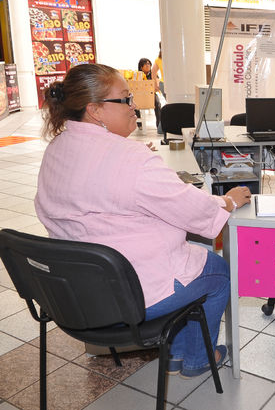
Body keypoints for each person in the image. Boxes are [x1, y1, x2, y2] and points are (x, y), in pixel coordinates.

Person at [35, 63, 251, 379]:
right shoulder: (130, 158)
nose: (134, 105)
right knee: (216, 271)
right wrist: (227, 201)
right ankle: (195, 359)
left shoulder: (56, 148)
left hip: (75, 295)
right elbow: (193, 209)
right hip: (127, 297)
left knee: (185, 260)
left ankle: (175, 355)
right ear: (95, 110)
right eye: (125, 99)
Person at [135, 58, 162, 132]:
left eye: (149, 64)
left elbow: (156, 86)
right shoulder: (137, 75)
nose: (148, 65)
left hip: (151, 94)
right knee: (134, 102)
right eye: (145, 64)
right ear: (141, 67)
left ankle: (159, 124)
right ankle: (140, 124)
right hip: (140, 95)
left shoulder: (153, 74)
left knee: (157, 103)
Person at [152, 42, 165, 134]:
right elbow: (153, 72)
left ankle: (161, 128)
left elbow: (153, 72)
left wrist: (156, 84)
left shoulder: (159, 59)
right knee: (171, 105)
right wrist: (156, 84)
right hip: (166, 85)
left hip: (162, 84)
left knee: (170, 104)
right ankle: (161, 128)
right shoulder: (171, 57)